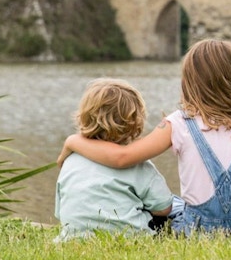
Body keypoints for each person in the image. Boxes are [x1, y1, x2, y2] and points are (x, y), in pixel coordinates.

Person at [57, 39, 231, 235]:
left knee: (176, 204)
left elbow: (123, 157)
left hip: (199, 231)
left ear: (189, 81)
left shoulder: (179, 123)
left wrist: (73, 141)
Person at [55, 78, 175, 241]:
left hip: (73, 238)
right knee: (176, 207)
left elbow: (60, 210)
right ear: (136, 123)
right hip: (131, 239)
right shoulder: (138, 165)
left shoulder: (70, 161)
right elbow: (163, 208)